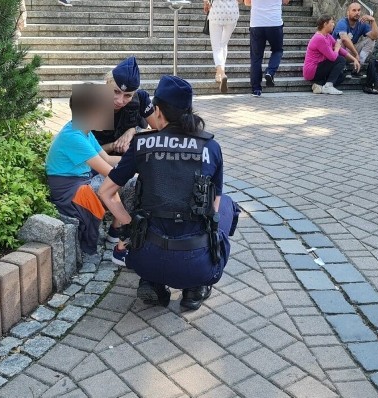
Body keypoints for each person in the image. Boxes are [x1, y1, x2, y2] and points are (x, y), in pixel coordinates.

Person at [98, 76, 240, 311]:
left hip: (146, 258)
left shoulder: (141, 144)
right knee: (226, 204)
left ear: (159, 111)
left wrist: (129, 225)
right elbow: (213, 209)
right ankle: (196, 288)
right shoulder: (211, 147)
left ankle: (152, 281)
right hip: (196, 263)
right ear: (189, 112)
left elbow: (106, 192)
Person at [46, 84, 122, 256]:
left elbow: (108, 159)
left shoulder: (83, 130)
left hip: (81, 180)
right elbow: (109, 172)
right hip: (69, 190)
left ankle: (118, 229)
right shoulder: (73, 137)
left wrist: (138, 159)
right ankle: (122, 229)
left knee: (121, 179)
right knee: (122, 183)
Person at [93, 56, 154, 155]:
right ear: (107, 83)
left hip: (129, 161)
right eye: (116, 91)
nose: (120, 101)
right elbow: (80, 151)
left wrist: (135, 130)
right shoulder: (91, 100)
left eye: (128, 95)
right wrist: (113, 146)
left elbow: (161, 132)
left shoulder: (141, 98)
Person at [303, 15, 361, 95]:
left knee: (341, 76)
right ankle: (328, 86)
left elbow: (341, 50)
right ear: (325, 24)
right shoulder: (319, 38)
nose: (334, 24)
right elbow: (333, 57)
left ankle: (319, 85)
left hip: (319, 68)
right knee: (341, 60)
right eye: (332, 22)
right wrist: (336, 48)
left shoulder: (327, 36)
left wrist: (354, 59)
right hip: (312, 70)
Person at [244, 0, 290, 97]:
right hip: (274, 23)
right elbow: (286, 1)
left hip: (256, 24)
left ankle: (256, 89)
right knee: (277, 50)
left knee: (256, 57)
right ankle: (270, 72)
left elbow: (247, 2)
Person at [204, 0, 243, 93]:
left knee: (217, 48)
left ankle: (222, 73)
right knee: (223, 44)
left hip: (217, 12)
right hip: (232, 13)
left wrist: (206, 3)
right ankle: (219, 74)